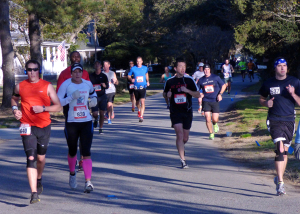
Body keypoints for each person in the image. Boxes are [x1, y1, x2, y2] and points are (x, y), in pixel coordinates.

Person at [11, 60, 62, 204]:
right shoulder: (20, 86)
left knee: (40, 158)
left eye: (35, 70)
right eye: (29, 70)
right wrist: (15, 110)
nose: (32, 72)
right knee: (31, 158)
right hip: (26, 126)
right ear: (26, 71)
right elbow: (14, 99)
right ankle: (33, 193)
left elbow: (58, 107)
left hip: (44, 126)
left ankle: (39, 178)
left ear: (38, 71)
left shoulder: (47, 86)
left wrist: (44, 109)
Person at [259, 58, 300, 196]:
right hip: (274, 119)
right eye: (280, 66)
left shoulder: (295, 82)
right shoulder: (269, 83)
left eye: (285, 66)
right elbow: (261, 98)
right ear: (275, 68)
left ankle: (278, 176)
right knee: (280, 149)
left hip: (289, 120)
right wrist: (266, 104)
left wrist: (293, 93)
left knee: (285, 152)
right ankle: (281, 184)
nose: (283, 68)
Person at [57, 63, 97, 193]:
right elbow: (58, 102)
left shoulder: (87, 84)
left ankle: (88, 181)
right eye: (75, 72)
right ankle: (72, 173)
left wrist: (94, 102)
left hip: (86, 121)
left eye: (79, 72)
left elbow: (93, 94)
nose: (77, 74)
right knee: (73, 150)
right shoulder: (66, 85)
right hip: (72, 122)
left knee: (86, 152)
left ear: (82, 72)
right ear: (71, 73)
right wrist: (70, 98)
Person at [56, 51, 90, 171]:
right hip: (69, 106)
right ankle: (73, 153)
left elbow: (89, 88)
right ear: (70, 58)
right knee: (73, 134)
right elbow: (59, 90)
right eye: (74, 56)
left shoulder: (84, 73)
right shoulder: (64, 73)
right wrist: (70, 97)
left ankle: (82, 159)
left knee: (84, 134)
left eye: (78, 56)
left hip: (83, 105)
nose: (76, 58)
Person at [163, 58, 200, 169]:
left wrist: (187, 91)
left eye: (184, 66)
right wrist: (167, 96)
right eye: (180, 66)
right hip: (175, 111)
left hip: (187, 111)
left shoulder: (189, 80)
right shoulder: (170, 81)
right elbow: (165, 94)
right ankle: (183, 160)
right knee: (179, 134)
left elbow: (198, 94)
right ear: (175, 68)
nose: (183, 69)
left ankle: (182, 149)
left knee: (185, 138)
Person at [197, 64, 226, 140]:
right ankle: (211, 133)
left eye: (208, 70)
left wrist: (220, 94)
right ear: (203, 71)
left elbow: (223, 85)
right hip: (206, 100)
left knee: (215, 119)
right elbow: (196, 90)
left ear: (210, 70)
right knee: (207, 118)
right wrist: (200, 94)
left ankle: (215, 123)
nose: (206, 71)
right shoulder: (201, 80)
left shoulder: (215, 77)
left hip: (215, 100)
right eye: (205, 70)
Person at [128, 56, 150, 122]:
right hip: (136, 88)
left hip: (143, 87)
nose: (139, 62)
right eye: (137, 61)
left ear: (142, 61)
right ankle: (139, 110)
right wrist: (131, 79)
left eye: (140, 61)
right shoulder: (133, 68)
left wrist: (148, 81)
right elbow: (129, 76)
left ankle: (141, 116)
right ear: (136, 62)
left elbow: (146, 74)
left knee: (142, 101)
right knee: (137, 102)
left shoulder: (145, 68)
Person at [89, 61, 109, 134]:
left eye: (98, 64)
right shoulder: (91, 76)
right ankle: (96, 119)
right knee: (94, 113)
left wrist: (104, 85)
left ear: (101, 66)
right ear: (94, 66)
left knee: (102, 113)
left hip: (102, 96)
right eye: (95, 64)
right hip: (94, 96)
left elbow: (107, 86)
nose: (97, 65)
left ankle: (101, 128)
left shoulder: (103, 76)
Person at [103, 60, 118, 124]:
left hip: (111, 91)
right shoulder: (102, 73)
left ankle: (109, 119)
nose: (105, 66)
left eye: (106, 65)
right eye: (104, 65)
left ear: (109, 65)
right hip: (104, 91)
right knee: (106, 105)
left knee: (109, 104)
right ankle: (109, 112)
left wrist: (115, 81)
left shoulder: (112, 73)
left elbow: (117, 83)